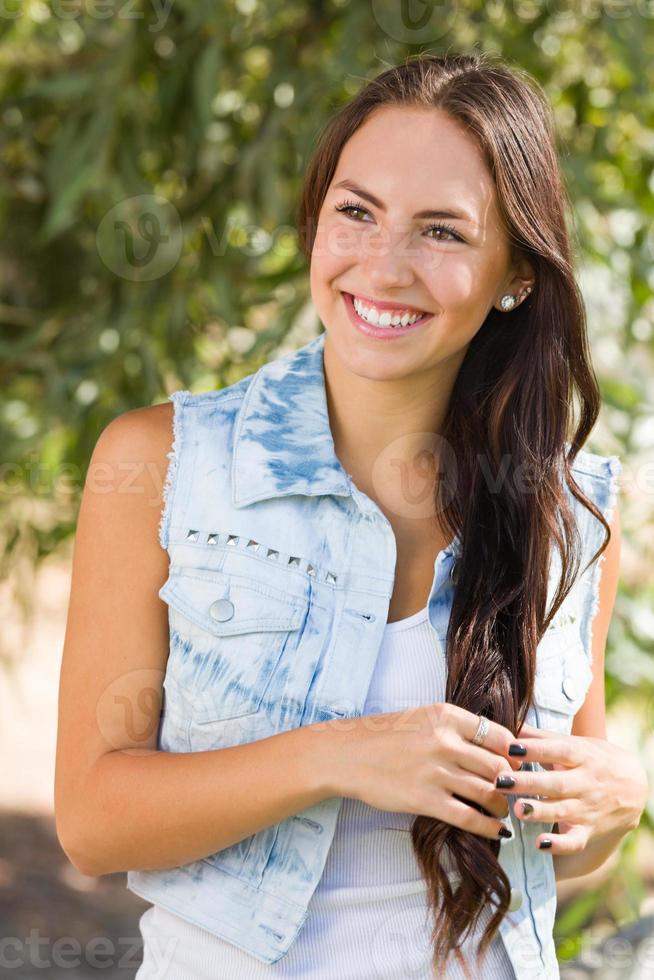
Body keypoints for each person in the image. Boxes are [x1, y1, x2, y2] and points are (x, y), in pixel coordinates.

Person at [55, 51, 648, 979]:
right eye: (357, 211)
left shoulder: (569, 517)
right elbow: (92, 822)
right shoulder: (165, 463)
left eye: (442, 231)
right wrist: (338, 756)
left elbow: (553, 849)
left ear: (518, 274)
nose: (384, 264)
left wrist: (611, 809)